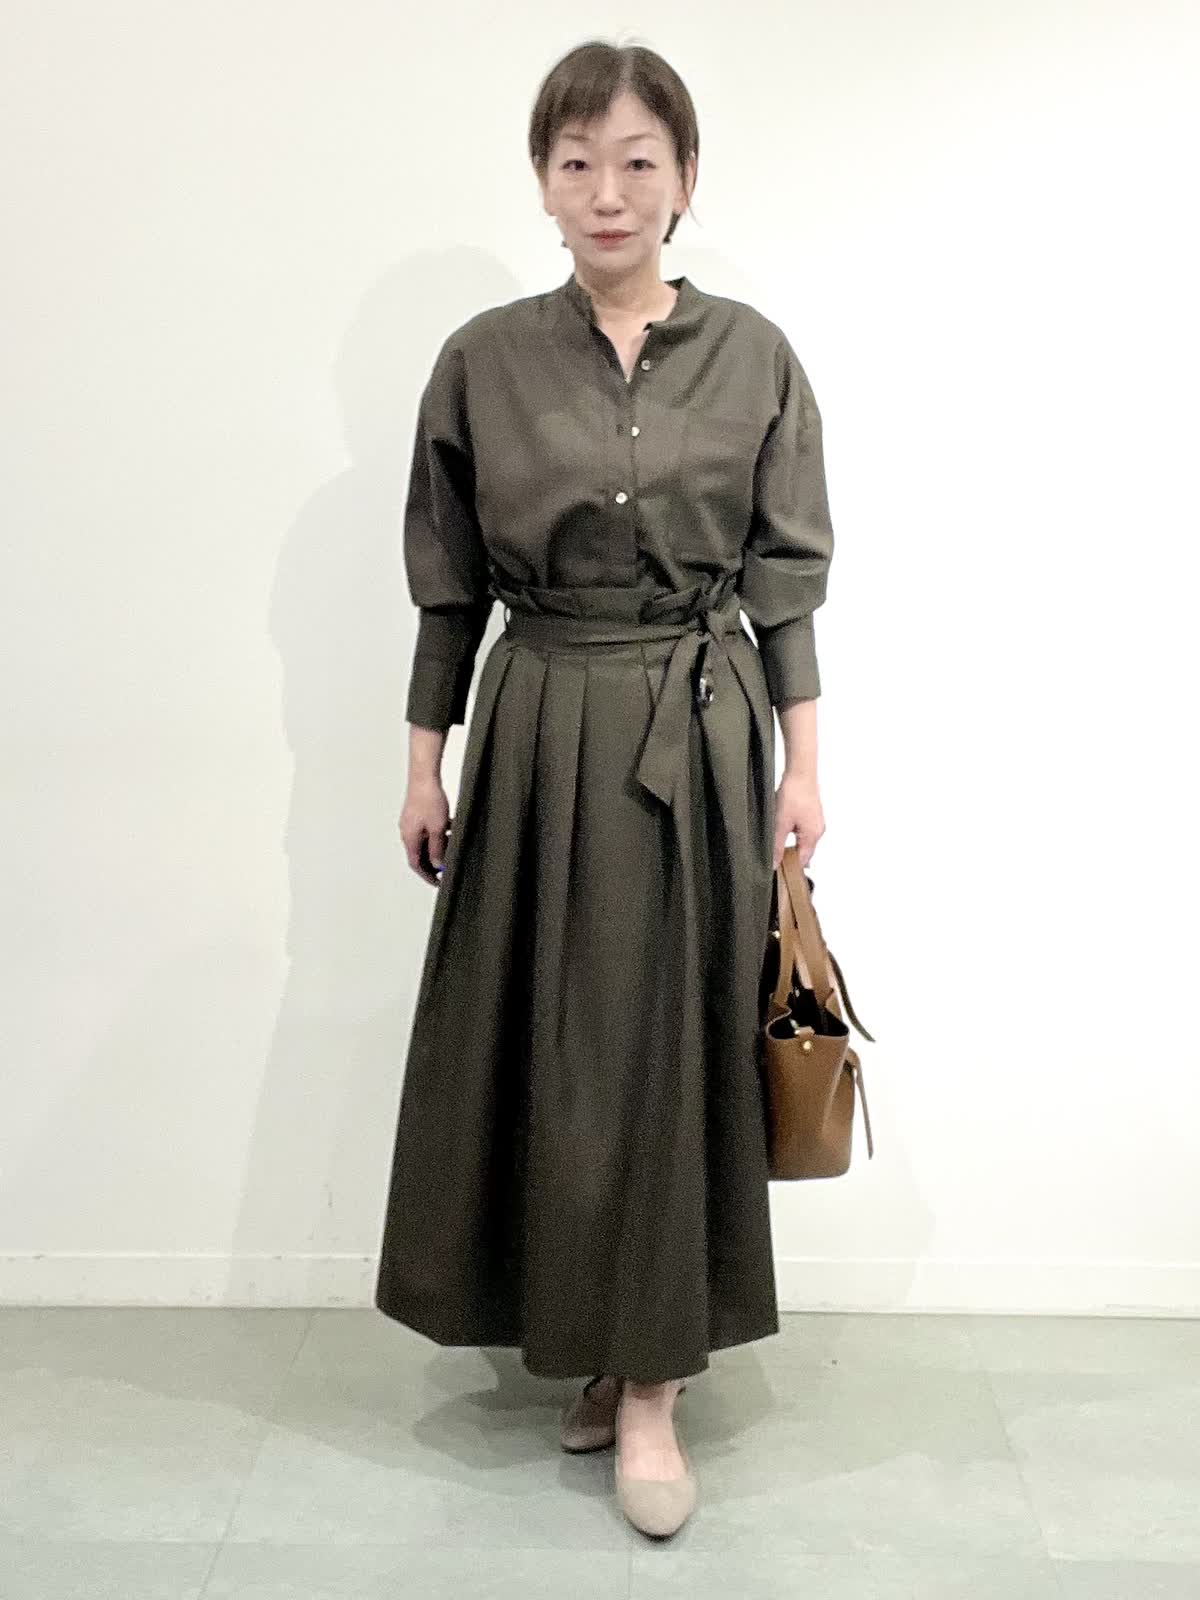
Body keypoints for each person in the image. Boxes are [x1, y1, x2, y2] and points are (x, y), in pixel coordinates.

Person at [374, 38, 835, 1539]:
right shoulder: (483, 359)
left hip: (698, 731)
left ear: (685, 178)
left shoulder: (754, 356)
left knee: (667, 1046)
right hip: (540, 717)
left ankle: (652, 1388)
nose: (609, 190)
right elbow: (448, 584)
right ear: (542, 183)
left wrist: (806, 764)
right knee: (552, 1047)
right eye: (577, 162)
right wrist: (424, 759)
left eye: (639, 160)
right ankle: (594, 1341)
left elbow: (784, 580)